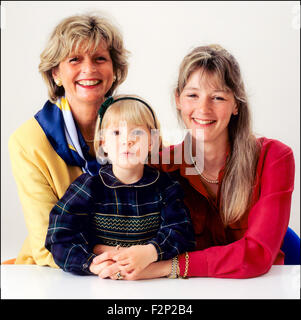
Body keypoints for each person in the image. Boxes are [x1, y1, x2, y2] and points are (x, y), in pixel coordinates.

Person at [92, 44, 295, 280]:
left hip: (264, 288)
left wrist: (165, 267)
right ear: (178, 99)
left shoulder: (274, 158)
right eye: (192, 95)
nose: (203, 108)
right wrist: (109, 257)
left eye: (218, 97)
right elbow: (103, 215)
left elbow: (257, 255)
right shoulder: (160, 164)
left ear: (236, 104)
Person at [8, 14, 129, 267]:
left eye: (100, 59)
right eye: (75, 59)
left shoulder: (139, 127)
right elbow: (46, 244)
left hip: (130, 271)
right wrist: (115, 256)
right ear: (56, 73)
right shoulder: (28, 141)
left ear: (115, 71)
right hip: (54, 275)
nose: (89, 69)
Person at [45, 95, 196, 277]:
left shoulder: (165, 187)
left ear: (151, 142)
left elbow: (181, 231)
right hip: (98, 281)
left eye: (137, 133)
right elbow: (60, 235)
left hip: (150, 280)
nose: (127, 141)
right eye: (116, 133)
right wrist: (91, 263)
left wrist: (151, 251)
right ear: (103, 143)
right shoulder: (89, 186)